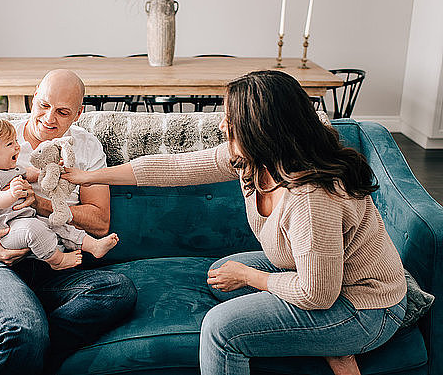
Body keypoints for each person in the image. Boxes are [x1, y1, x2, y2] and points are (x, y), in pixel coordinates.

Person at [62, 70, 407, 375]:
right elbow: (174, 168)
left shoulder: (311, 198)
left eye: (231, 117)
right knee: (221, 274)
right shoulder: (254, 160)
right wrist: (88, 177)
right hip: (323, 279)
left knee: (220, 329)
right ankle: (328, 346)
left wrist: (250, 276)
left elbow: (316, 294)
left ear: (262, 128)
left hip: (363, 306)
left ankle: (336, 340)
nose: (223, 124)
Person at [0, 69, 137, 375]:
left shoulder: (85, 146)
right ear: (33, 98)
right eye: (43, 105)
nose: (49, 118)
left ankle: (14, 355)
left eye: (63, 112)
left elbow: (100, 223)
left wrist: (40, 203)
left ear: (79, 113)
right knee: (23, 328)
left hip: (51, 262)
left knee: (118, 291)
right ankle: (25, 337)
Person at [0, 117, 119, 270]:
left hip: (22, 218)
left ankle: (93, 246)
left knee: (56, 222)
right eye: (9, 144)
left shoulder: (11, 168)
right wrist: (12, 193)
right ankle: (57, 260)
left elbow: (33, 173)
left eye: (16, 141)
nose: (17, 146)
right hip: (2, 231)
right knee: (34, 229)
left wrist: (54, 169)